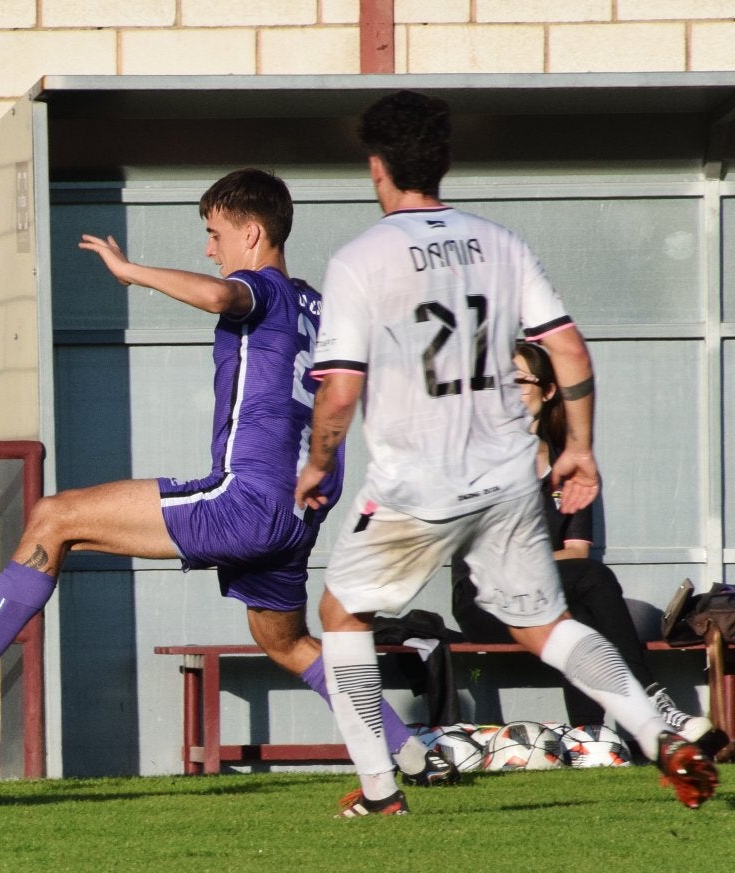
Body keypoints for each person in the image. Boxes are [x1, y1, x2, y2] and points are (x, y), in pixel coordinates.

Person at [0, 167, 457, 787]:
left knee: (55, 516)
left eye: (215, 234)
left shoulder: (260, 287)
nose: (210, 250)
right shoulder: (319, 306)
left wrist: (130, 273)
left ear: (254, 233)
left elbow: (221, 296)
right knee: (288, 644)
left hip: (245, 499)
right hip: (296, 517)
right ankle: (409, 751)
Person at [294, 90, 718, 817]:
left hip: (414, 483)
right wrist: (580, 447)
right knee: (544, 623)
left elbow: (337, 394)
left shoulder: (360, 260)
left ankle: (379, 794)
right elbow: (569, 350)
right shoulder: (501, 243)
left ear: (376, 168)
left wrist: (317, 463)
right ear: (445, 162)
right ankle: (657, 729)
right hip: (505, 479)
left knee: (340, 613)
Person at [452, 341, 725, 754]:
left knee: (579, 614)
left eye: (519, 381)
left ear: (547, 392)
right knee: (594, 577)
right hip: (485, 602)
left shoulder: (570, 467)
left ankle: (588, 738)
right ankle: (649, 696)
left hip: (543, 599)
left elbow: (576, 551)